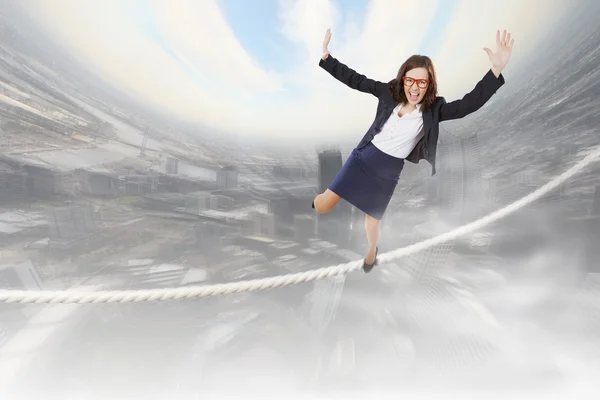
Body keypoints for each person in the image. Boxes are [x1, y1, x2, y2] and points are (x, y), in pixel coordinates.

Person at [312, 28, 514, 273]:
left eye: (421, 82)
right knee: (323, 206)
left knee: (371, 225)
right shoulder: (387, 92)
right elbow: (356, 80)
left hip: (387, 174)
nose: (415, 87)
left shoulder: (433, 110)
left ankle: (372, 251)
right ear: (403, 79)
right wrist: (326, 58)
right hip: (363, 159)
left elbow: (468, 104)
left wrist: (495, 71)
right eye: (410, 80)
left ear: (429, 85)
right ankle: (317, 199)